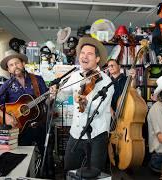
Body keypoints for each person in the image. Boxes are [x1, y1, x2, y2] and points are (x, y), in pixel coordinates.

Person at [55, 37, 114, 173]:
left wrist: (84, 103)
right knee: (69, 169)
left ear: (97, 59)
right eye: (82, 53)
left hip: (96, 136)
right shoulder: (75, 76)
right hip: (75, 133)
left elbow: (96, 112)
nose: (84, 57)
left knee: (94, 173)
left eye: (89, 54)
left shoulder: (106, 82)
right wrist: (55, 93)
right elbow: (62, 95)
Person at [0, 50, 48, 151]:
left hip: (40, 126)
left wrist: (51, 96)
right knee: (22, 159)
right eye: (11, 65)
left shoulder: (37, 79)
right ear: (9, 69)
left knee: (45, 158)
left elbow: (47, 100)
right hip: (20, 129)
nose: (15, 66)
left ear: (23, 64)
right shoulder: (6, 85)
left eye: (17, 63)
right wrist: (6, 117)